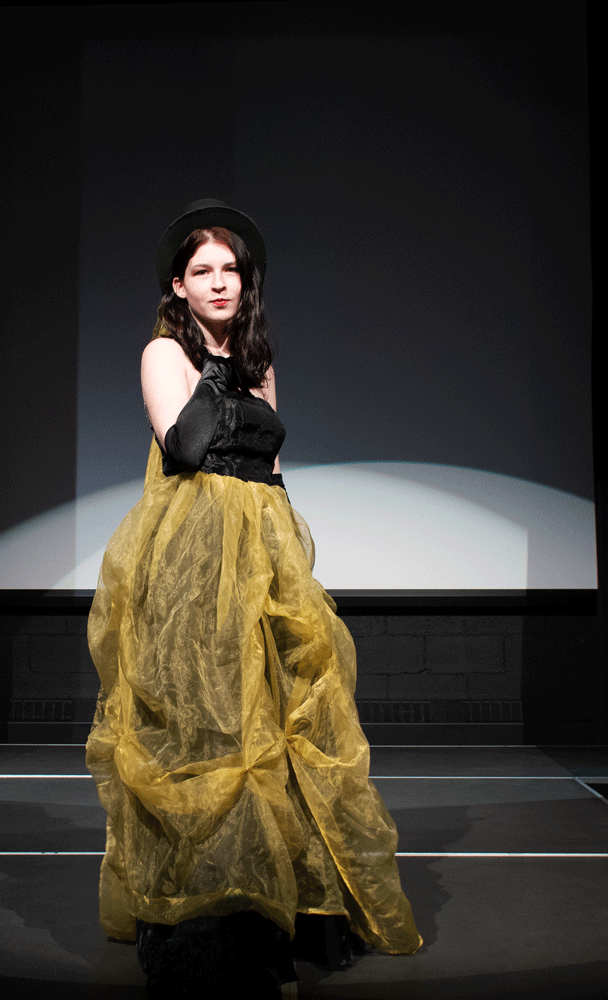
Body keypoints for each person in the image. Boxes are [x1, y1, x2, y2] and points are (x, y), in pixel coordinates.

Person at [86, 199, 422, 997]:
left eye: (230, 269)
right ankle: (208, 930)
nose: (219, 282)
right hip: (195, 556)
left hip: (262, 552)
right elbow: (185, 445)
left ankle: (287, 914)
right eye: (201, 271)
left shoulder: (259, 358)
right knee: (210, 726)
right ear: (178, 285)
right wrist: (214, 366)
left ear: (246, 280)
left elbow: (271, 465)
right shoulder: (164, 353)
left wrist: (289, 562)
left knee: (278, 720)